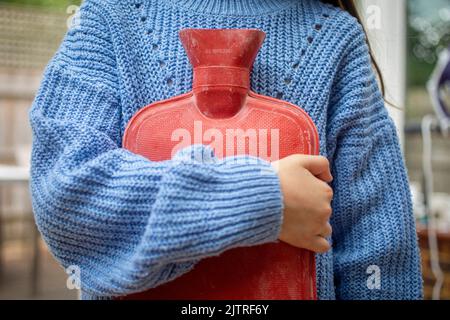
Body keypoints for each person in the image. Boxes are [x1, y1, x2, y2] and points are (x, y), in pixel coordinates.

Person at [29, 0, 423, 299]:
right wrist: (265, 201)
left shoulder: (335, 38)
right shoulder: (108, 20)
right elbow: (66, 193)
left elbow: (380, 256)